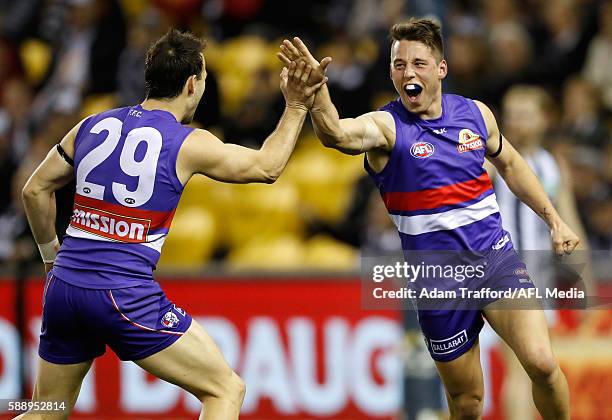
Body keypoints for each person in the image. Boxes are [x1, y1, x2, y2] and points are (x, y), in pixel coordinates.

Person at [278, 19, 578, 420]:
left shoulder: (475, 115)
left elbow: (510, 162)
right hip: (438, 281)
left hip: (495, 261)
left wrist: (554, 218)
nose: (408, 73)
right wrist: (317, 95)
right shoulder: (387, 127)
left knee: (541, 363)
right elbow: (336, 134)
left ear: (441, 69)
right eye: (399, 65)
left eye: (418, 63)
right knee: (468, 404)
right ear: (390, 73)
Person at [18, 29, 326, 420]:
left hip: (64, 288)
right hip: (122, 292)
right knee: (225, 389)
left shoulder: (92, 125)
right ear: (193, 84)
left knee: (45, 411)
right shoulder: (185, 141)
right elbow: (267, 167)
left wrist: (50, 257)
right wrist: (297, 106)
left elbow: (34, 190)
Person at [493, 85, 591, 420]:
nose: (515, 121)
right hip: (503, 275)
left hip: (539, 279)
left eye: (525, 114)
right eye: (511, 114)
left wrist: (585, 280)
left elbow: (570, 222)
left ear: (543, 119)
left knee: (539, 369)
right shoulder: (491, 162)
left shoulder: (552, 165)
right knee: (520, 370)